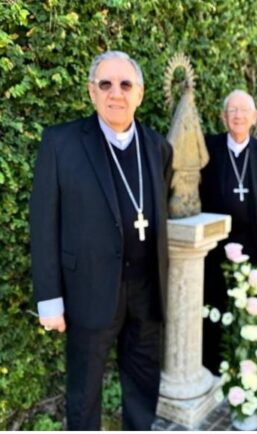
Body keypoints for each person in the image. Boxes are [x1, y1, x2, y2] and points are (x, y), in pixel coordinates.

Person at [29, 51, 173, 430]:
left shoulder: (158, 147)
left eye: (126, 85)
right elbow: (43, 223)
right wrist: (49, 298)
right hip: (88, 289)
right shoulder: (61, 143)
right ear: (92, 93)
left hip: (145, 288)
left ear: (139, 94)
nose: (116, 93)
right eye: (105, 84)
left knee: (144, 382)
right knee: (84, 391)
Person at [199, 90, 257, 374]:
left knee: (248, 300)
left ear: (254, 117)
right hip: (216, 241)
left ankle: (242, 358)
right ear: (223, 116)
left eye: (244, 111)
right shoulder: (210, 147)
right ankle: (212, 360)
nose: (238, 116)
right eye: (232, 110)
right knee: (215, 299)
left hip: (251, 242)